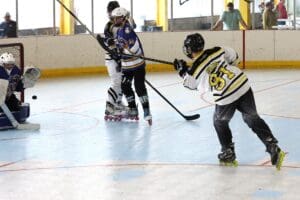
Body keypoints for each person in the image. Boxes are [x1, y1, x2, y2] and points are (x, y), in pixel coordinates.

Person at [173, 33, 285, 170]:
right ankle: (272, 145)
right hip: (241, 84)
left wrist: (182, 71)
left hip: (225, 95)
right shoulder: (217, 50)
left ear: (188, 49)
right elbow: (234, 56)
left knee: (220, 121)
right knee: (251, 117)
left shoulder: (195, 69)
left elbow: (190, 84)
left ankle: (228, 152)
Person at [111, 7, 152, 125]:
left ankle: (146, 110)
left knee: (139, 87)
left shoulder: (128, 30)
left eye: (117, 18)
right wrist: (115, 50)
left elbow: (134, 48)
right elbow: (121, 46)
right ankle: (133, 108)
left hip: (137, 65)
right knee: (125, 86)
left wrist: (122, 51)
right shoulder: (119, 30)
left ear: (123, 18)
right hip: (127, 67)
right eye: (114, 18)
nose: (115, 20)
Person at [0, 52, 40, 130]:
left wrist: (24, 84)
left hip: (7, 96)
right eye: (7, 64)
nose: (10, 66)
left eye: (11, 64)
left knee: (16, 107)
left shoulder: (16, 70)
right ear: (2, 64)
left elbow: (17, 87)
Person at [102, 1, 126, 120]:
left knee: (123, 82)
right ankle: (110, 106)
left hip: (122, 58)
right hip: (112, 59)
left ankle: (118, 103)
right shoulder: (109, 26)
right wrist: (110, 42)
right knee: (116, 82)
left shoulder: (123, 24)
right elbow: (107, 41)